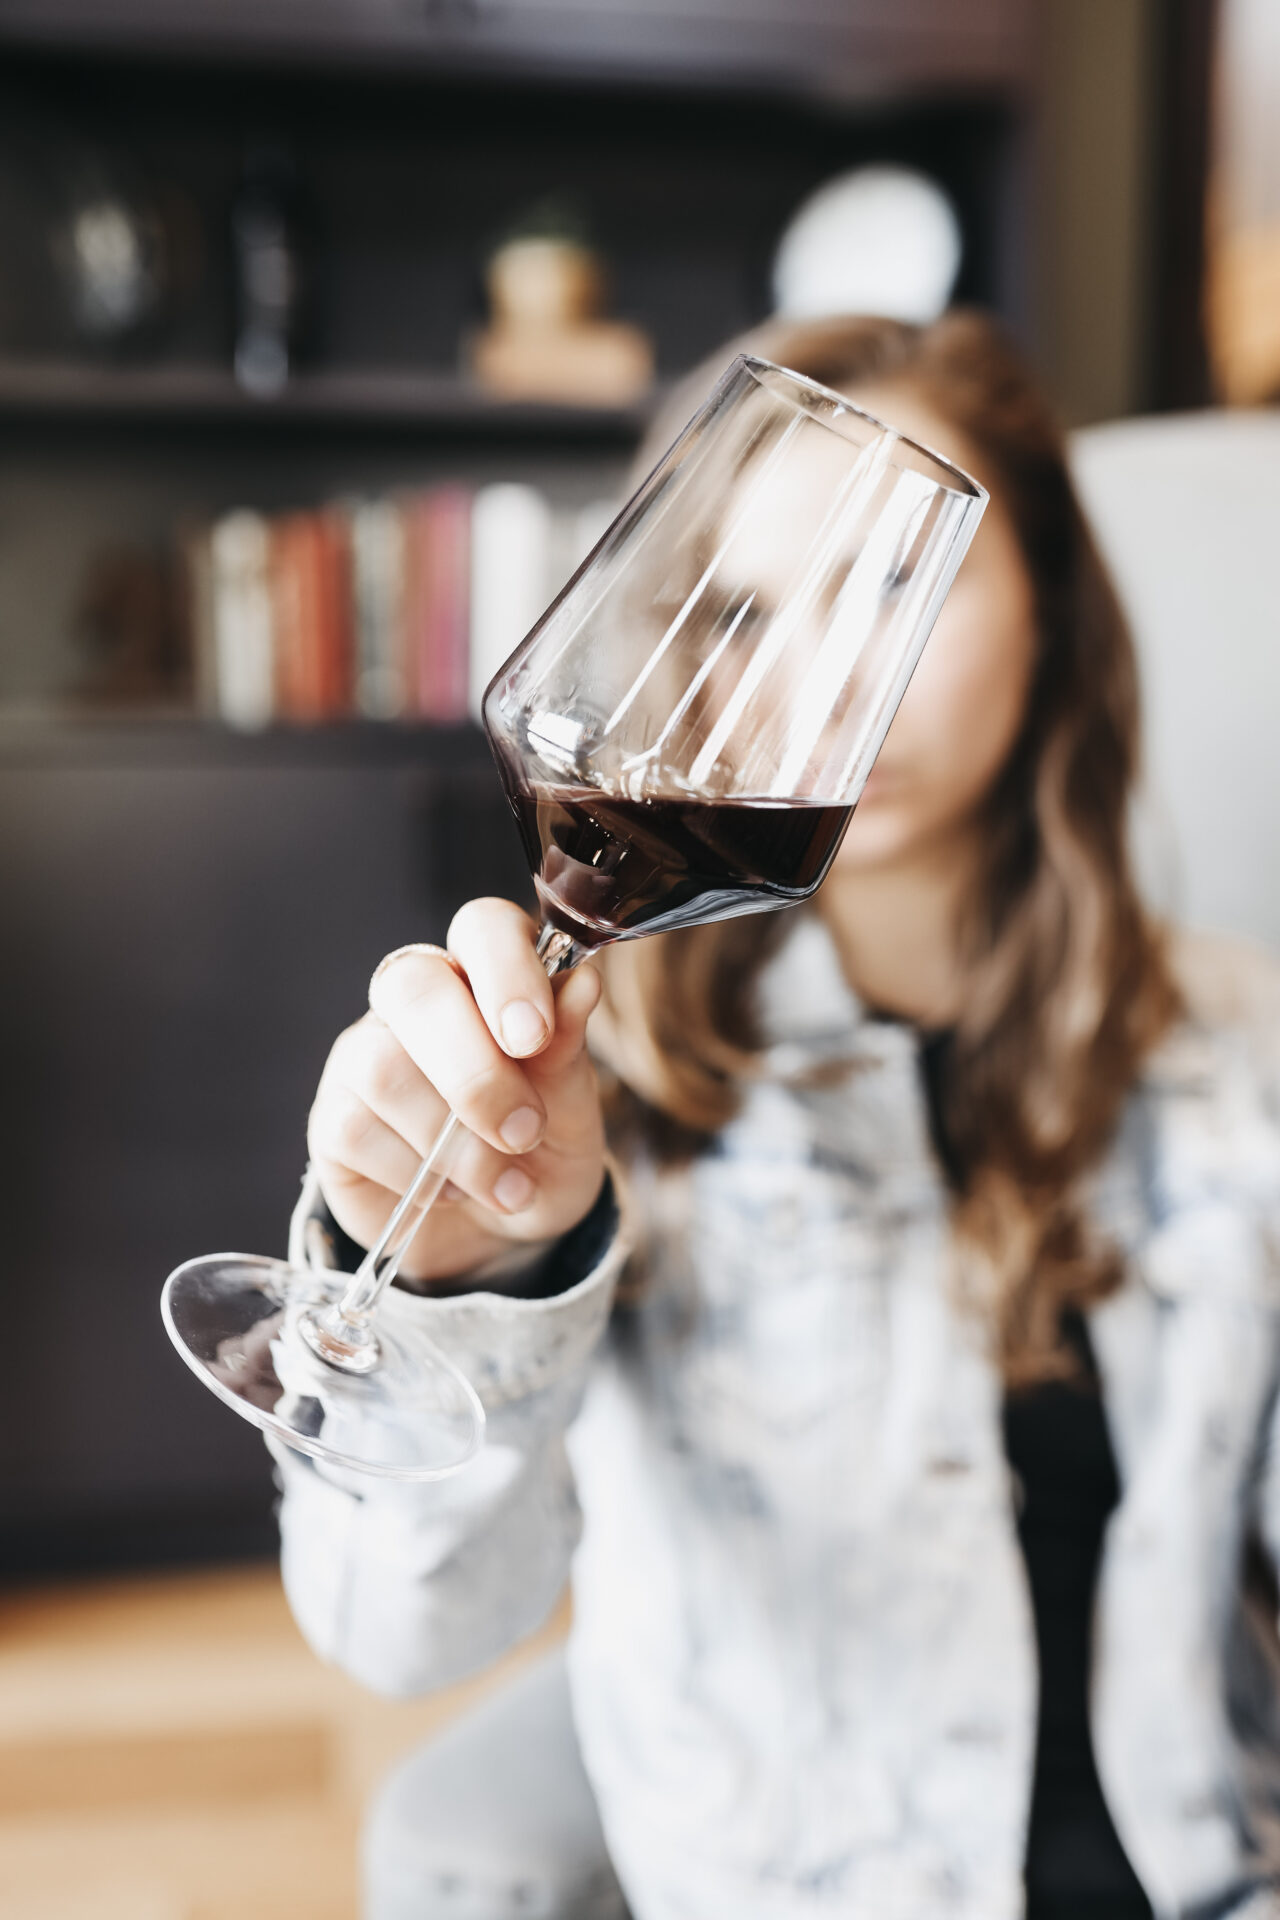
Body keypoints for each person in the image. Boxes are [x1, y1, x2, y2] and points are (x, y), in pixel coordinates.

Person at [275, 312, 1280, 1919]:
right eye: (744, 607)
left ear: (1059, 616)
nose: (821, 667)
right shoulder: (612, 1095)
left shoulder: (1240, 1042)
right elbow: (397, 1633)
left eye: (897, 584)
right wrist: (475, 1289)